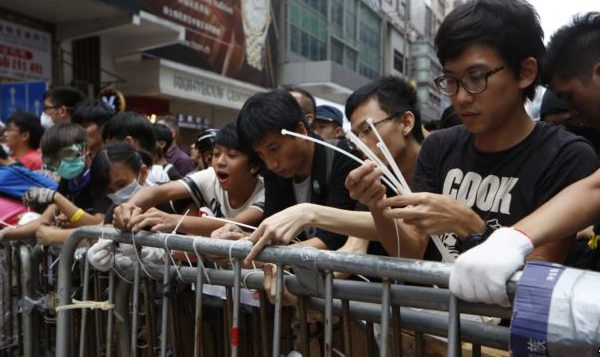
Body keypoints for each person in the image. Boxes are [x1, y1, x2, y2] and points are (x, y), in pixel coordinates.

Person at [345, 0, 597, 267]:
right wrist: (377, 205)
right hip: (435, 308)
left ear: (525, 72)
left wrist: (468, 224)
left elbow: (536, 272)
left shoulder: (566, 157)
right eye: (451, 80)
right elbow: (411, 251)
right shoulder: (439, 147)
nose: (461, 97)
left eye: (476, 77)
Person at [450, 11, 600, 307]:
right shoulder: (444, 146)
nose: (573, 114)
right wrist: (512, 241)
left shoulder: (568, 154)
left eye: (570, 96)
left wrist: (488, 234)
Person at [112, 121, 264, 236]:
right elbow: (158, 192)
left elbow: (232, 224)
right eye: (216, 154)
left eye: (232, 156)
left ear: (255, 164)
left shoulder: (265, 193)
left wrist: (173, 221)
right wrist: (128, 207)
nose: (220, 162)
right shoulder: (209, 176)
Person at [1, 123, 111, 244]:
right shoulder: (67, 180)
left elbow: (99, 225)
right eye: (53, 160)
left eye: (67, 154)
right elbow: (43, 220)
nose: (61, 163)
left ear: (85, 149)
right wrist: (5, 234)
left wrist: (56, 198)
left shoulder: (99, 176)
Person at [102, 111, 169, 184]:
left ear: (128, 143)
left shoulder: (156, 178)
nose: (106, 151)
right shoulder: (160, 175)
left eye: (110, 145)